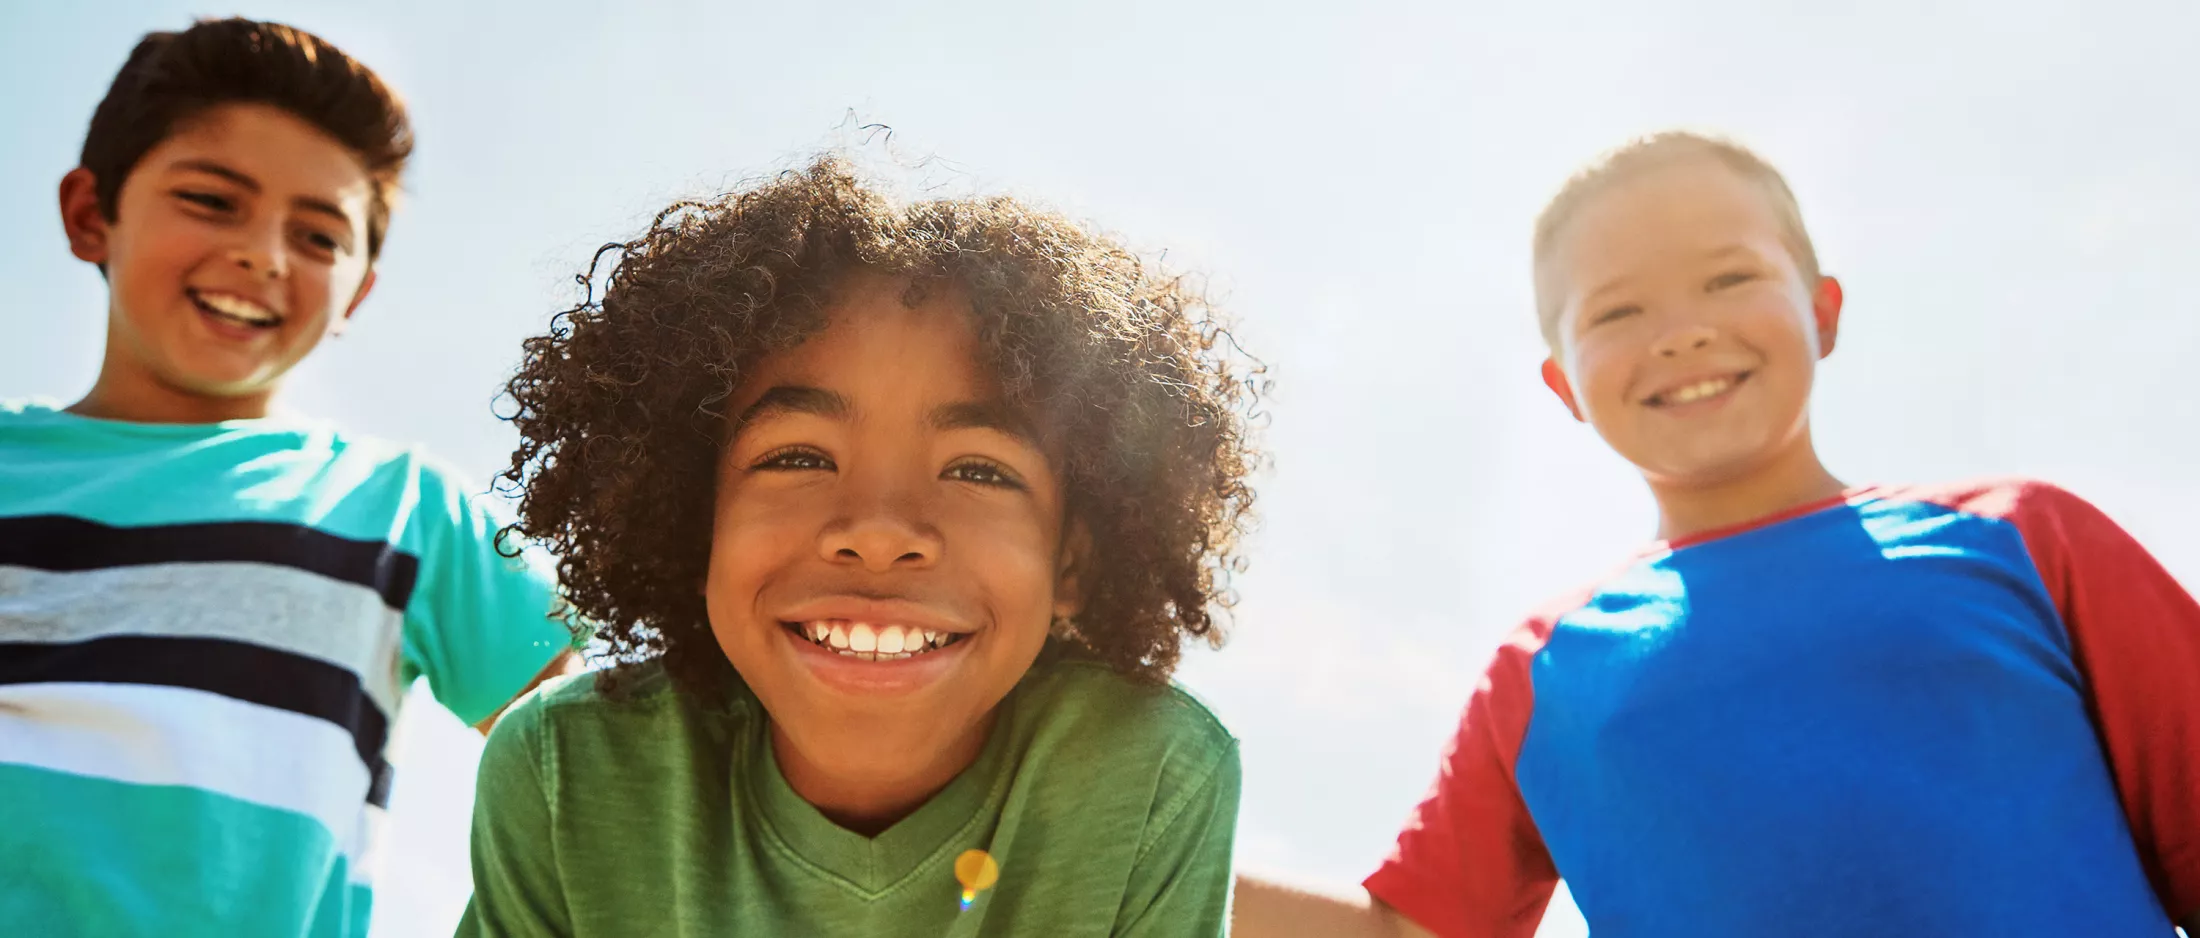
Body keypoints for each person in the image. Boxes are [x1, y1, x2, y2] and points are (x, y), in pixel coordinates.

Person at [1231, 131, 2200, 937]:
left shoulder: (2023, 537)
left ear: (1821, 311)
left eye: (1728, 278)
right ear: (1563, 385)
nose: (1680, 331)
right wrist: (1101, 842)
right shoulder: (1544, 673)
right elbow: (1408, 931)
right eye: (1617, 309)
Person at [457, 155, 1264, 936]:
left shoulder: (1152, 773)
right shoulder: (562, 773)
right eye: (798, 457)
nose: (879, 531)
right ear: (693, 522)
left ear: (1073, 560)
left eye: (978, 470)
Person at [0, 18, 576, 937]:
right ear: (89, 213)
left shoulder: (404, 511)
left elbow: (595, 770)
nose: (264, 255)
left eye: (317, 235)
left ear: (358, 291)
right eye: (212, 201)